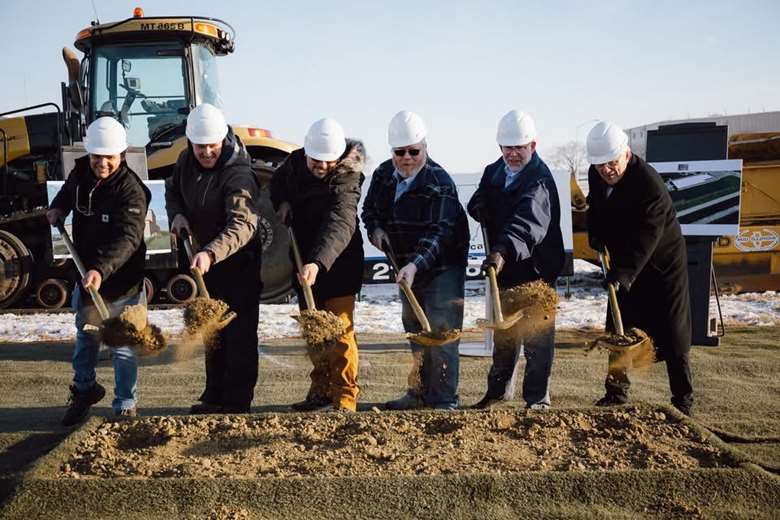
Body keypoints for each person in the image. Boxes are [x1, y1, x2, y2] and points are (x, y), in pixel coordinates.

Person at [362, 110, 469, 410]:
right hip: (405, 263)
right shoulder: (383, 175)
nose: (407, 158)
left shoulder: (439, 181)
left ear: (425, 148)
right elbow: (369, 209)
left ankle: (445, 399)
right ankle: (419, 391)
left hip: (441, 265)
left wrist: (415, 264)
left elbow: (440, 232)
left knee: (441, 330)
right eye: (400, 152)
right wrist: (376, 229)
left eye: (414, 151)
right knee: (415, 328)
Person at [585, 120, 694, 416]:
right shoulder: (597, 175)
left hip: (662, 265)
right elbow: (595, 207)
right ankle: (616, 393)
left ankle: (682, 400)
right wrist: (595, 233)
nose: (606, 170)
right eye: (599, 165)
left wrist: (623, 272)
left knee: (673, 333)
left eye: (612, 163)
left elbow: (647, 235)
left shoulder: (649, 184)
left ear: (627, 154)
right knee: (618, 328)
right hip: (624, 261)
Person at [47, 117, 151, 426]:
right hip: (88, 280)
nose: (102, 163)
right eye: (97, 157)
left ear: (121, 155)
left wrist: (100, 269)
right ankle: (84, 391)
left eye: (109, 157)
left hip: (123, 284)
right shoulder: (81, 172)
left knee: (122, 347)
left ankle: (124, 405)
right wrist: (58, 207)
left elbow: (129, 239)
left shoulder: (133, 191)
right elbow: (67, 194)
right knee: (87, 338)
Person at [165, 103, 262, 414]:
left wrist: (210, 252)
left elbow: (243, 224)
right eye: (200, 146)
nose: (206, 152)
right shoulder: (185, 161)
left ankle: (236, 403)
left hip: (238, 261)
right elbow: (172, 191)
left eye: (212, 146)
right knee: (213, 330)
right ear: (190, 142)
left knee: (239, 333)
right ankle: (214, 395)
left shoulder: (239, 172)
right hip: (208, 260)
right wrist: (177, 214)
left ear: (222, 139)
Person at [467, 110, 565, 410]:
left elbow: (526, 225)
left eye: (519, 148)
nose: (512, 154)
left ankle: (537, 399)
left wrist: (501, 251)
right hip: (507, 271)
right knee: (504, 337)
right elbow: (481, 198)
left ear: (532, 146)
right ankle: (498, 392)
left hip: (536, 271)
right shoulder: (493, 171)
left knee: (537, 340)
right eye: (507, 148)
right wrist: (477, 205)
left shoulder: (540, 181)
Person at [270, 118, 366, 413]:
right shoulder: (295, 162)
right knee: (315, 334)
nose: (321, 166)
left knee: (340, 334)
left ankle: (345, 396)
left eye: (328, 161)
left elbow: (341, 223)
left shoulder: (347, 178)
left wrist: (317, 262)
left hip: (338, 262)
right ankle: (322, 390)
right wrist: (282, 203)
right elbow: (277, 183)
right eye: (316, 160)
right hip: (304, 259)